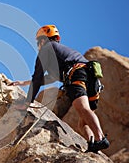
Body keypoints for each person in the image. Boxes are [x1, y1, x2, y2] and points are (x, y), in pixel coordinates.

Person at [10, 25, 109, 153]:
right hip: (92, 80)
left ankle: (100, 139)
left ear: (43, 40)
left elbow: (38, 77)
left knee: (81, 107)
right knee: (82, 123)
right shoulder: (60, 53)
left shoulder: (46, 49)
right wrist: (24, 82)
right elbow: (50, 77)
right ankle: (94, 145)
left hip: (78, 75)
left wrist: (27, 102)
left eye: (38, 42)